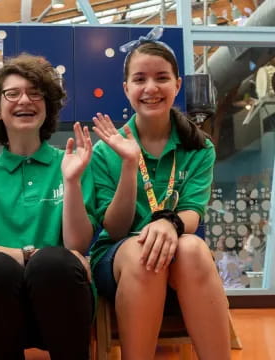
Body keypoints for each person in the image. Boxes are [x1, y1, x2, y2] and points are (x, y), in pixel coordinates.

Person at [89, 27, 231, 359]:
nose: (151, 88)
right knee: (143, 255)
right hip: (119, 257)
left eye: (162, 78)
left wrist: (169, 224)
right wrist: (128, 164)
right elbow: (116, 228)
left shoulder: (198, 147)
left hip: (179, 250)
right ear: (126, 89)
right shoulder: (106, 150)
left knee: (194, 249)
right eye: (139, 79)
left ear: (177, 84)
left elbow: (193, 212)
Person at [0, 54, 97, 360]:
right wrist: (29, 255)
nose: (25, 101)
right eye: (13, 93)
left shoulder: (70, 163)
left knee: (54, 263)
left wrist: (71, 182)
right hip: (2, 309)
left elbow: (77, 245)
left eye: (35, 93)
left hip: (64, 303)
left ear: (48, 108)